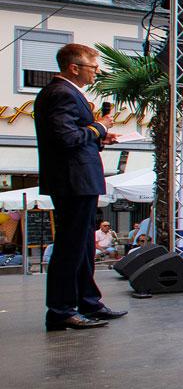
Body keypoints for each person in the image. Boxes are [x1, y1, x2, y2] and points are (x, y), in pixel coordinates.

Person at [35, 42, 124, 331]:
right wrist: (100, 127)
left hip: (78, 179)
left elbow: (74, 137)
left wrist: (100, 139)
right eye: (93, 67)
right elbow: (66, 139)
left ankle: (88, 301)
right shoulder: (61, 93)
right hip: (72, 181)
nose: (96, 72)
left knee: (83, 245)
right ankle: (61, 311)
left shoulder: (67, 94)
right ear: (74, 67)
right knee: (70, 247)